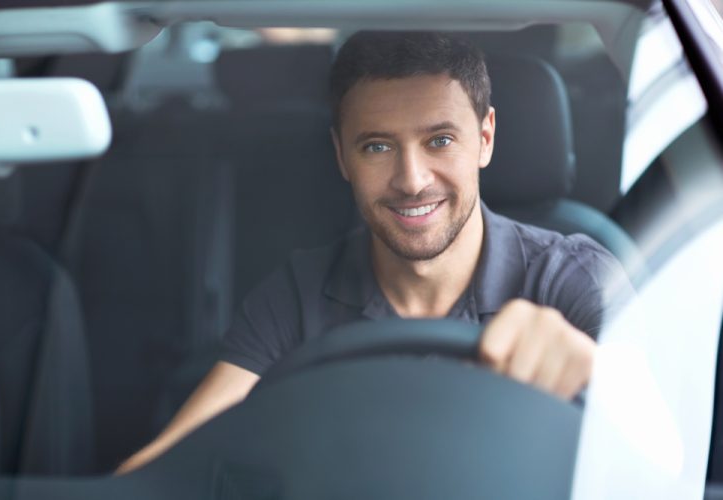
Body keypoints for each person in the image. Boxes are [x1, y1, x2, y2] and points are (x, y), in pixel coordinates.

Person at [116, 30, 628, 474]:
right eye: (377, 147)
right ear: (342, 156)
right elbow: (166, 466)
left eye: (440, 140)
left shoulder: (573, 280)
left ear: (485, 138)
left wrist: (598, 375)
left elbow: (671, 462)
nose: (411, 181)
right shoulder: (300, 294)